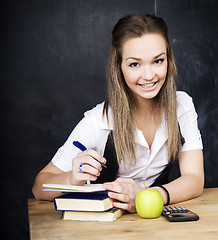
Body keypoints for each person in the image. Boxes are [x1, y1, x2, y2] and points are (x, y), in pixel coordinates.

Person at [32, 14, 204, 213]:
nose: (149, 75)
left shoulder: (181, 106)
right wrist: (72, 177)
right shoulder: (98, 121)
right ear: (119, 67)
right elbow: (39, 187)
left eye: (158, 61)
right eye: (134, 64)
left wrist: (147, 197)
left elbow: (194, 179)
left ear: (168, 60)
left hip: (157, 224)